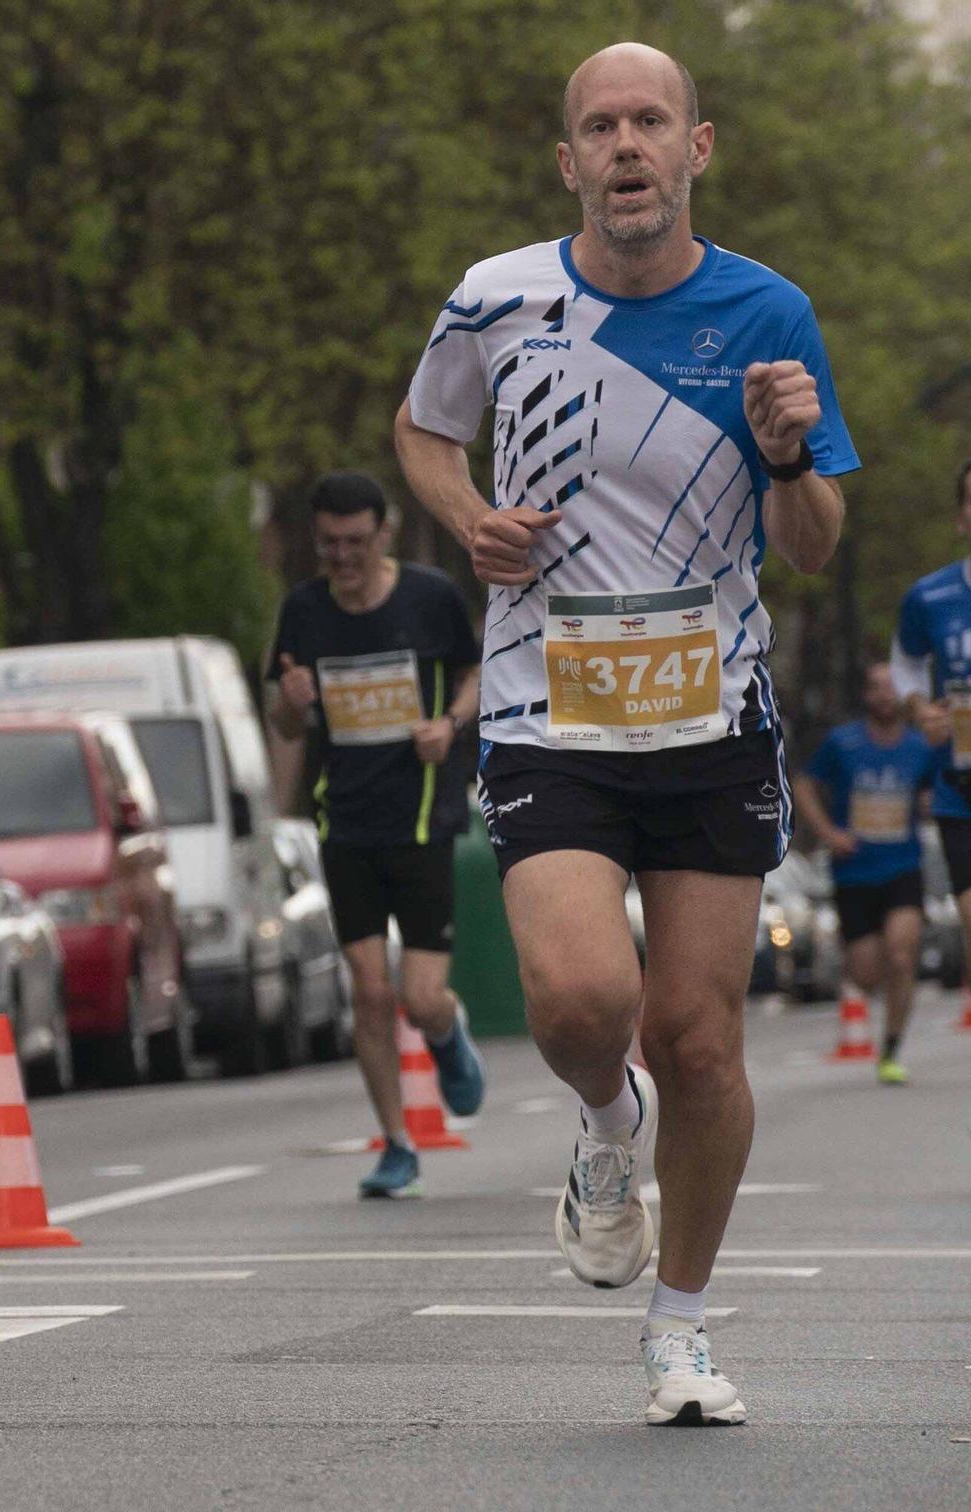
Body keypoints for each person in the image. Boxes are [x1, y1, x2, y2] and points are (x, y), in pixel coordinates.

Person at [395, 44, 859, 1426]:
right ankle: (608, 1125)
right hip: (549, 711)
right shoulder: (496, 298)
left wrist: (790, 451)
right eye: (600, 126)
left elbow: (818, 547)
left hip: (711, 716)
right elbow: (423, 433)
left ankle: (682, 1330)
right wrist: (465, 512)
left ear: (697, 146)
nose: (626, 145)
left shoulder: (770, 310)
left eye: (650, 120)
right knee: (586, 1005)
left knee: (702, 1038)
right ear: (569, 162)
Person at [264, 471, 486, 1198]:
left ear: (382, 534)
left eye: (356, 542)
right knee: (367, 991)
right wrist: (292, 709)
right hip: (345, 822)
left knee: (420, 999)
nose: (343, 557)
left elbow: (477, 674)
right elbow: (287, 723)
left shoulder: (429, 598)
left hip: (420, 819)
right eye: (329, 544)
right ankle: (396, 1143)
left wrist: (447, 725)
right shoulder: (303, 612)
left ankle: (448, 1036)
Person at [796, 664, 935, 1085]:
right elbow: (803, 783)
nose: (885, 694)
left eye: (893, 686)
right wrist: (827, 832)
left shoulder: (919, 747)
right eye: (876, 687)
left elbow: (930, 796)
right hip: (854, 872)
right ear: (866, 696)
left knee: (902, 953)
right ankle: (869, 990)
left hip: (903, 868)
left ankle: (891, 1048)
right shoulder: (843, 742)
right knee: (868, 971)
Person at [890, 460, 971, 1036]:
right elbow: (906, 666)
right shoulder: (932, 595)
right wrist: (922, 711)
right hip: (961, 783)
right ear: (962, 517)